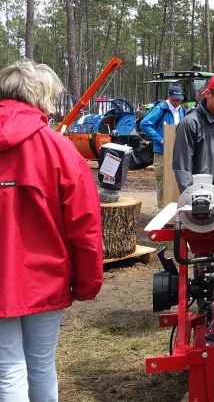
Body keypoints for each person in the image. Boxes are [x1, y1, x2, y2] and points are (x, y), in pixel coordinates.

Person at [0, 60, 103, 401]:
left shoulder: (59, 148)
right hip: (45, 277)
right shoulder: (60, 149)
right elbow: (85, 227)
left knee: (7, 368)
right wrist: (88, 282)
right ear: (43, 97)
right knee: (41, 365)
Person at [172, 73, 214, 198]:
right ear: (208, 94)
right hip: (203, 196)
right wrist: (192, 199)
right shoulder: (191, 123)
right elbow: (182, 166)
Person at [140, 85, 187, 208]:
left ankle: (176, 212)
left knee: (177, 182)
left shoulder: (181, 109)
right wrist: (160, 140)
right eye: (175, 99)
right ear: (169, 96)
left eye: (179, 99)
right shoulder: (160, 109)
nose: (177, 102)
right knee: (162, 182)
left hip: (177, 152)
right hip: (162, 152)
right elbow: (145, 124)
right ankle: (162, 212)